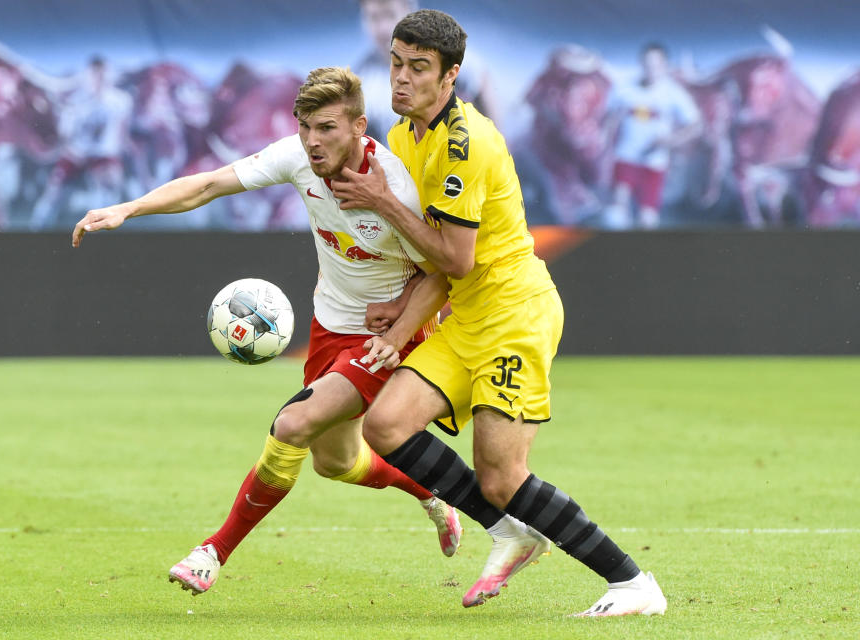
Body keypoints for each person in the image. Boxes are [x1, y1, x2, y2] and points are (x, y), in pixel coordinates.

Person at [71, 66, 462, 596]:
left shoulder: (394, 186)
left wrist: (397, 332)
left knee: (292, 425)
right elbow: (208, 185)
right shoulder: (297, 158)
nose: (312, 140)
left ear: (357, 127)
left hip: (385, 335)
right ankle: (432, 494)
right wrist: (128, 208)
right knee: (336, 462)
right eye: (304, 126)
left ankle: (212, 551)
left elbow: (442, 272)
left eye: (326, 127)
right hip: (329, 327)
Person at [330, 10, 667, 615]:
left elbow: (456, 257)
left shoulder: (469, 143)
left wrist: (381, 199)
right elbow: (436, 263)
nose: (401, 79)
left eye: (419, 68)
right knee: (385, 427)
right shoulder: (406, 136)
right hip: (465, 316)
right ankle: (507, 529)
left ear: (451, 76)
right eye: (396, 64)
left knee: (503, 477)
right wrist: (401, 311)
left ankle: (633, 584)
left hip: (515, 312)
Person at [355, 0, 499, 141]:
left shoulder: (446, 54)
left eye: (390, 15)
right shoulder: (363, 79)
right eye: (374, 18)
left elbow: (481, 83)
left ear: (408, 11)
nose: (383, 28)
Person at [603, 41, 701, 229]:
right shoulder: (625, 88)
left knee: (647, 219)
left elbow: (695, 124)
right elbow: (609, 117)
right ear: (641, 64)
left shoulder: (673, 92)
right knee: (617, 210)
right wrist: (606, 141)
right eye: (647, 64)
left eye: (656, 65)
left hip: (654, 163)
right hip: (627, 157)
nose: (651, 69)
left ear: (664, 66)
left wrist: (672, 140)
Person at [32, 55, 133, 230]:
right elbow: (65, 136)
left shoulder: (120, 100)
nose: (99, 79)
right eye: (95, 75)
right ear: (88, 76)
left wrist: (121, 153)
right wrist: (70, 153)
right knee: (54, 193)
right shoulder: (76, 101)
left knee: (110, 187)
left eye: (102, 74)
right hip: (76, 153)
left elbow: (121, 130)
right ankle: (37, 229)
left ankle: (102, 230)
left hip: (103, 155)